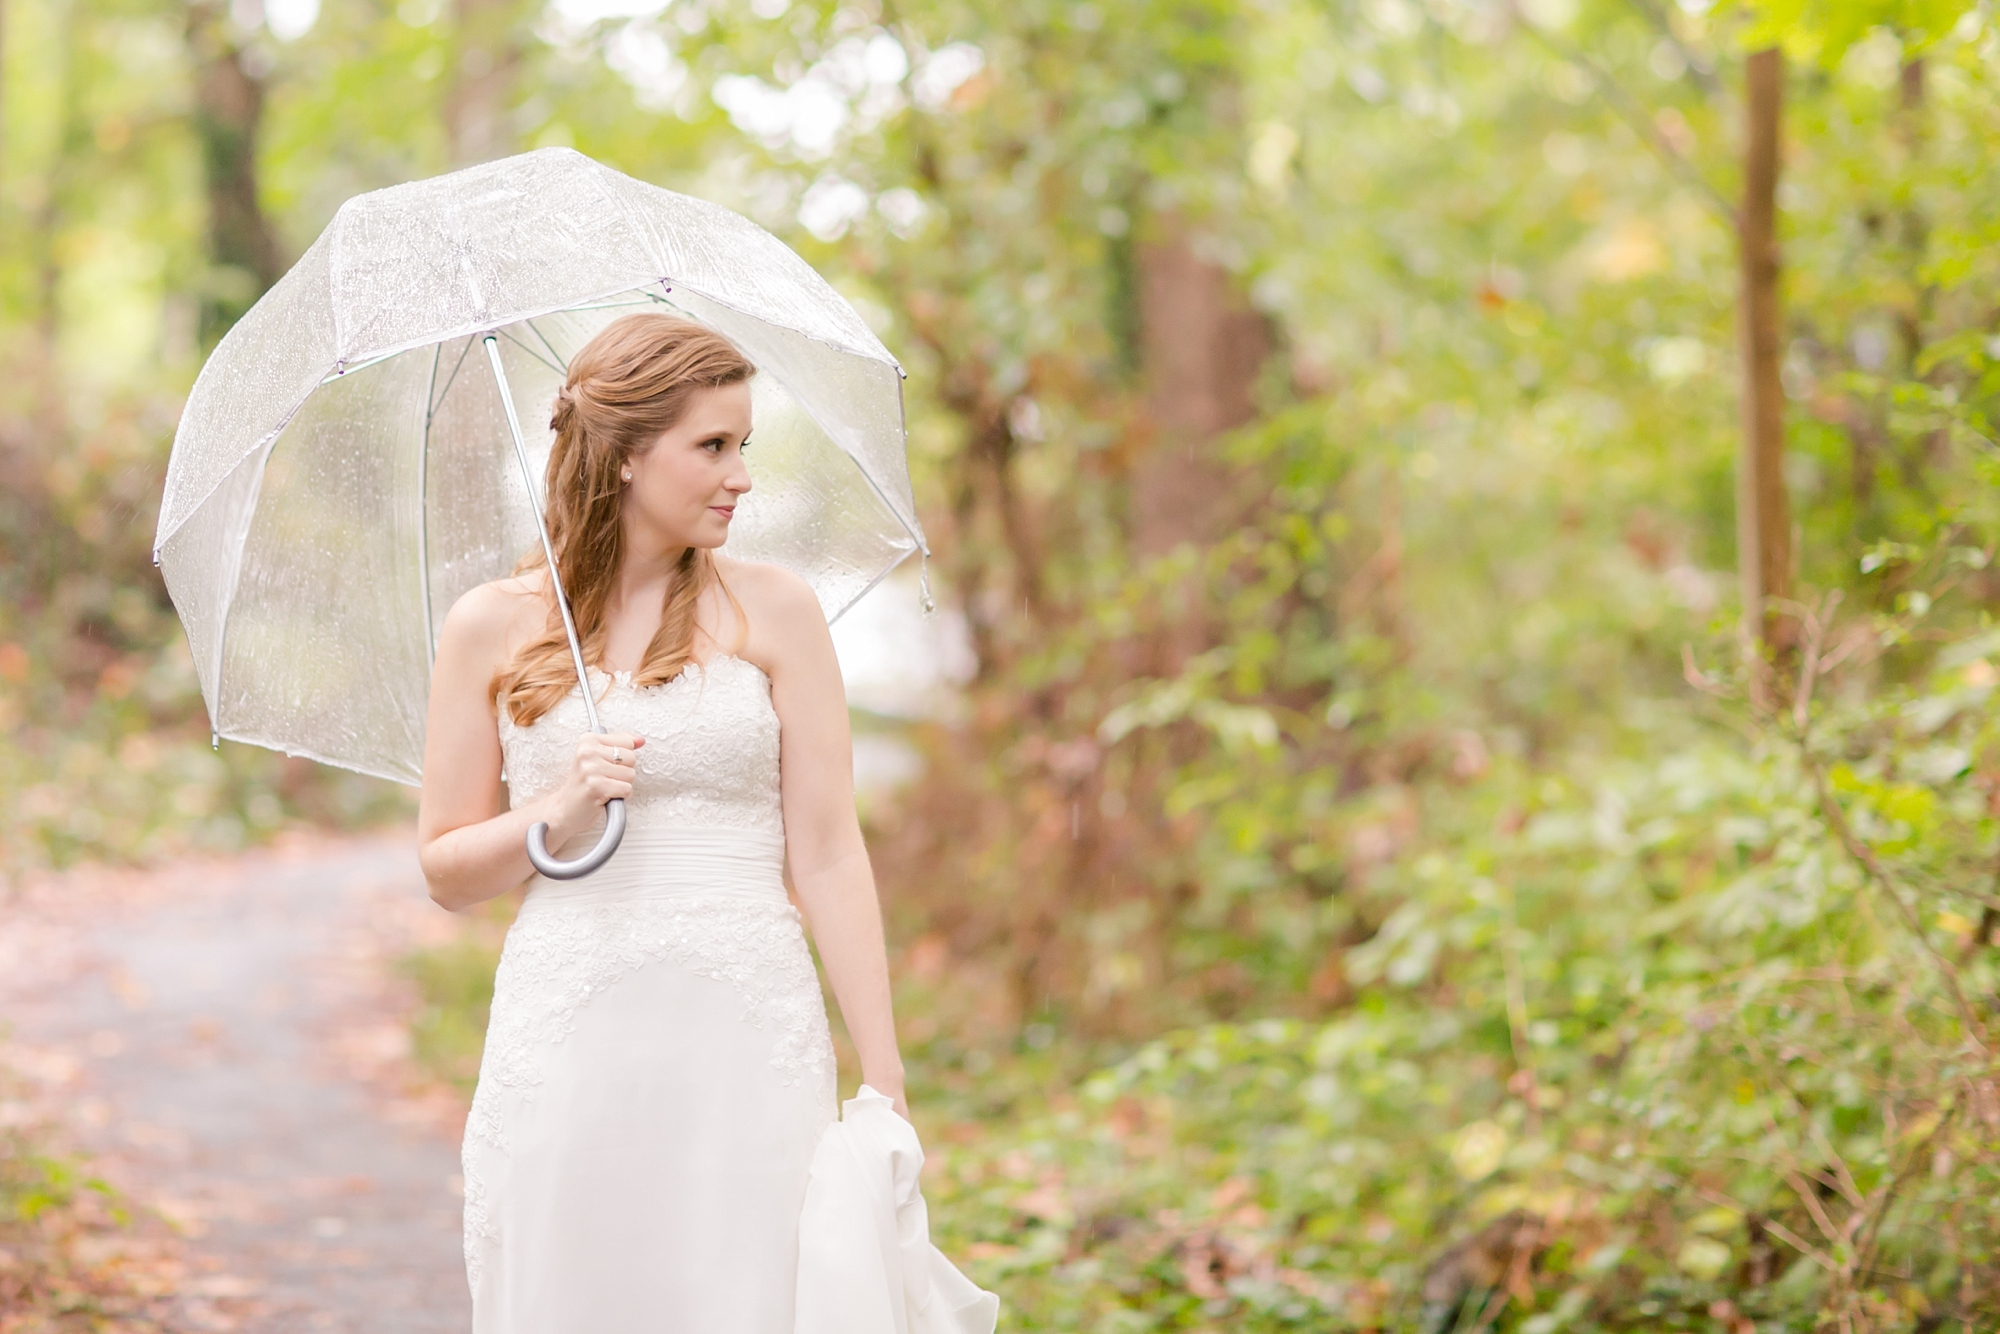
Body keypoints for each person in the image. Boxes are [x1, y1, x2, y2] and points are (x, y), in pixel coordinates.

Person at [415, 313, 906, 1332]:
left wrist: (884, 1077)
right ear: (628, 455)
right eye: (712, 446)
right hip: (569, 1025)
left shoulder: (777, 611)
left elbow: (825, 851)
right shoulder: (490, 625)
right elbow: (447, 872)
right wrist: (552, 812)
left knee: (747, 1288)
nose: (740, 476)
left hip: (747, 1029)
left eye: (744, 446)